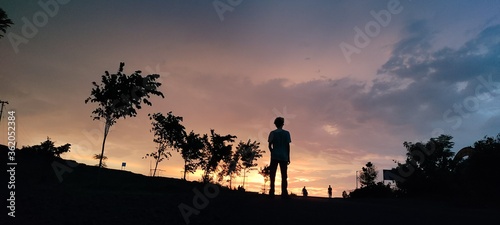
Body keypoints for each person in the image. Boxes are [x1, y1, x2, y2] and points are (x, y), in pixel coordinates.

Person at [268, 117, 291, 198]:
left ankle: (272, 191)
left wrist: (272, 152)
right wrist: (288, 157)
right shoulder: (287, 133)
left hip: (275, 156)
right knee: (284, 175)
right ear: (282, 124)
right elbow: (288, 146)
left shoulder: (272, 133)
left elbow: (269, 145)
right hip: (284, 156)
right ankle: (284, 192)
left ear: (275, 124)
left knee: (272, 174)